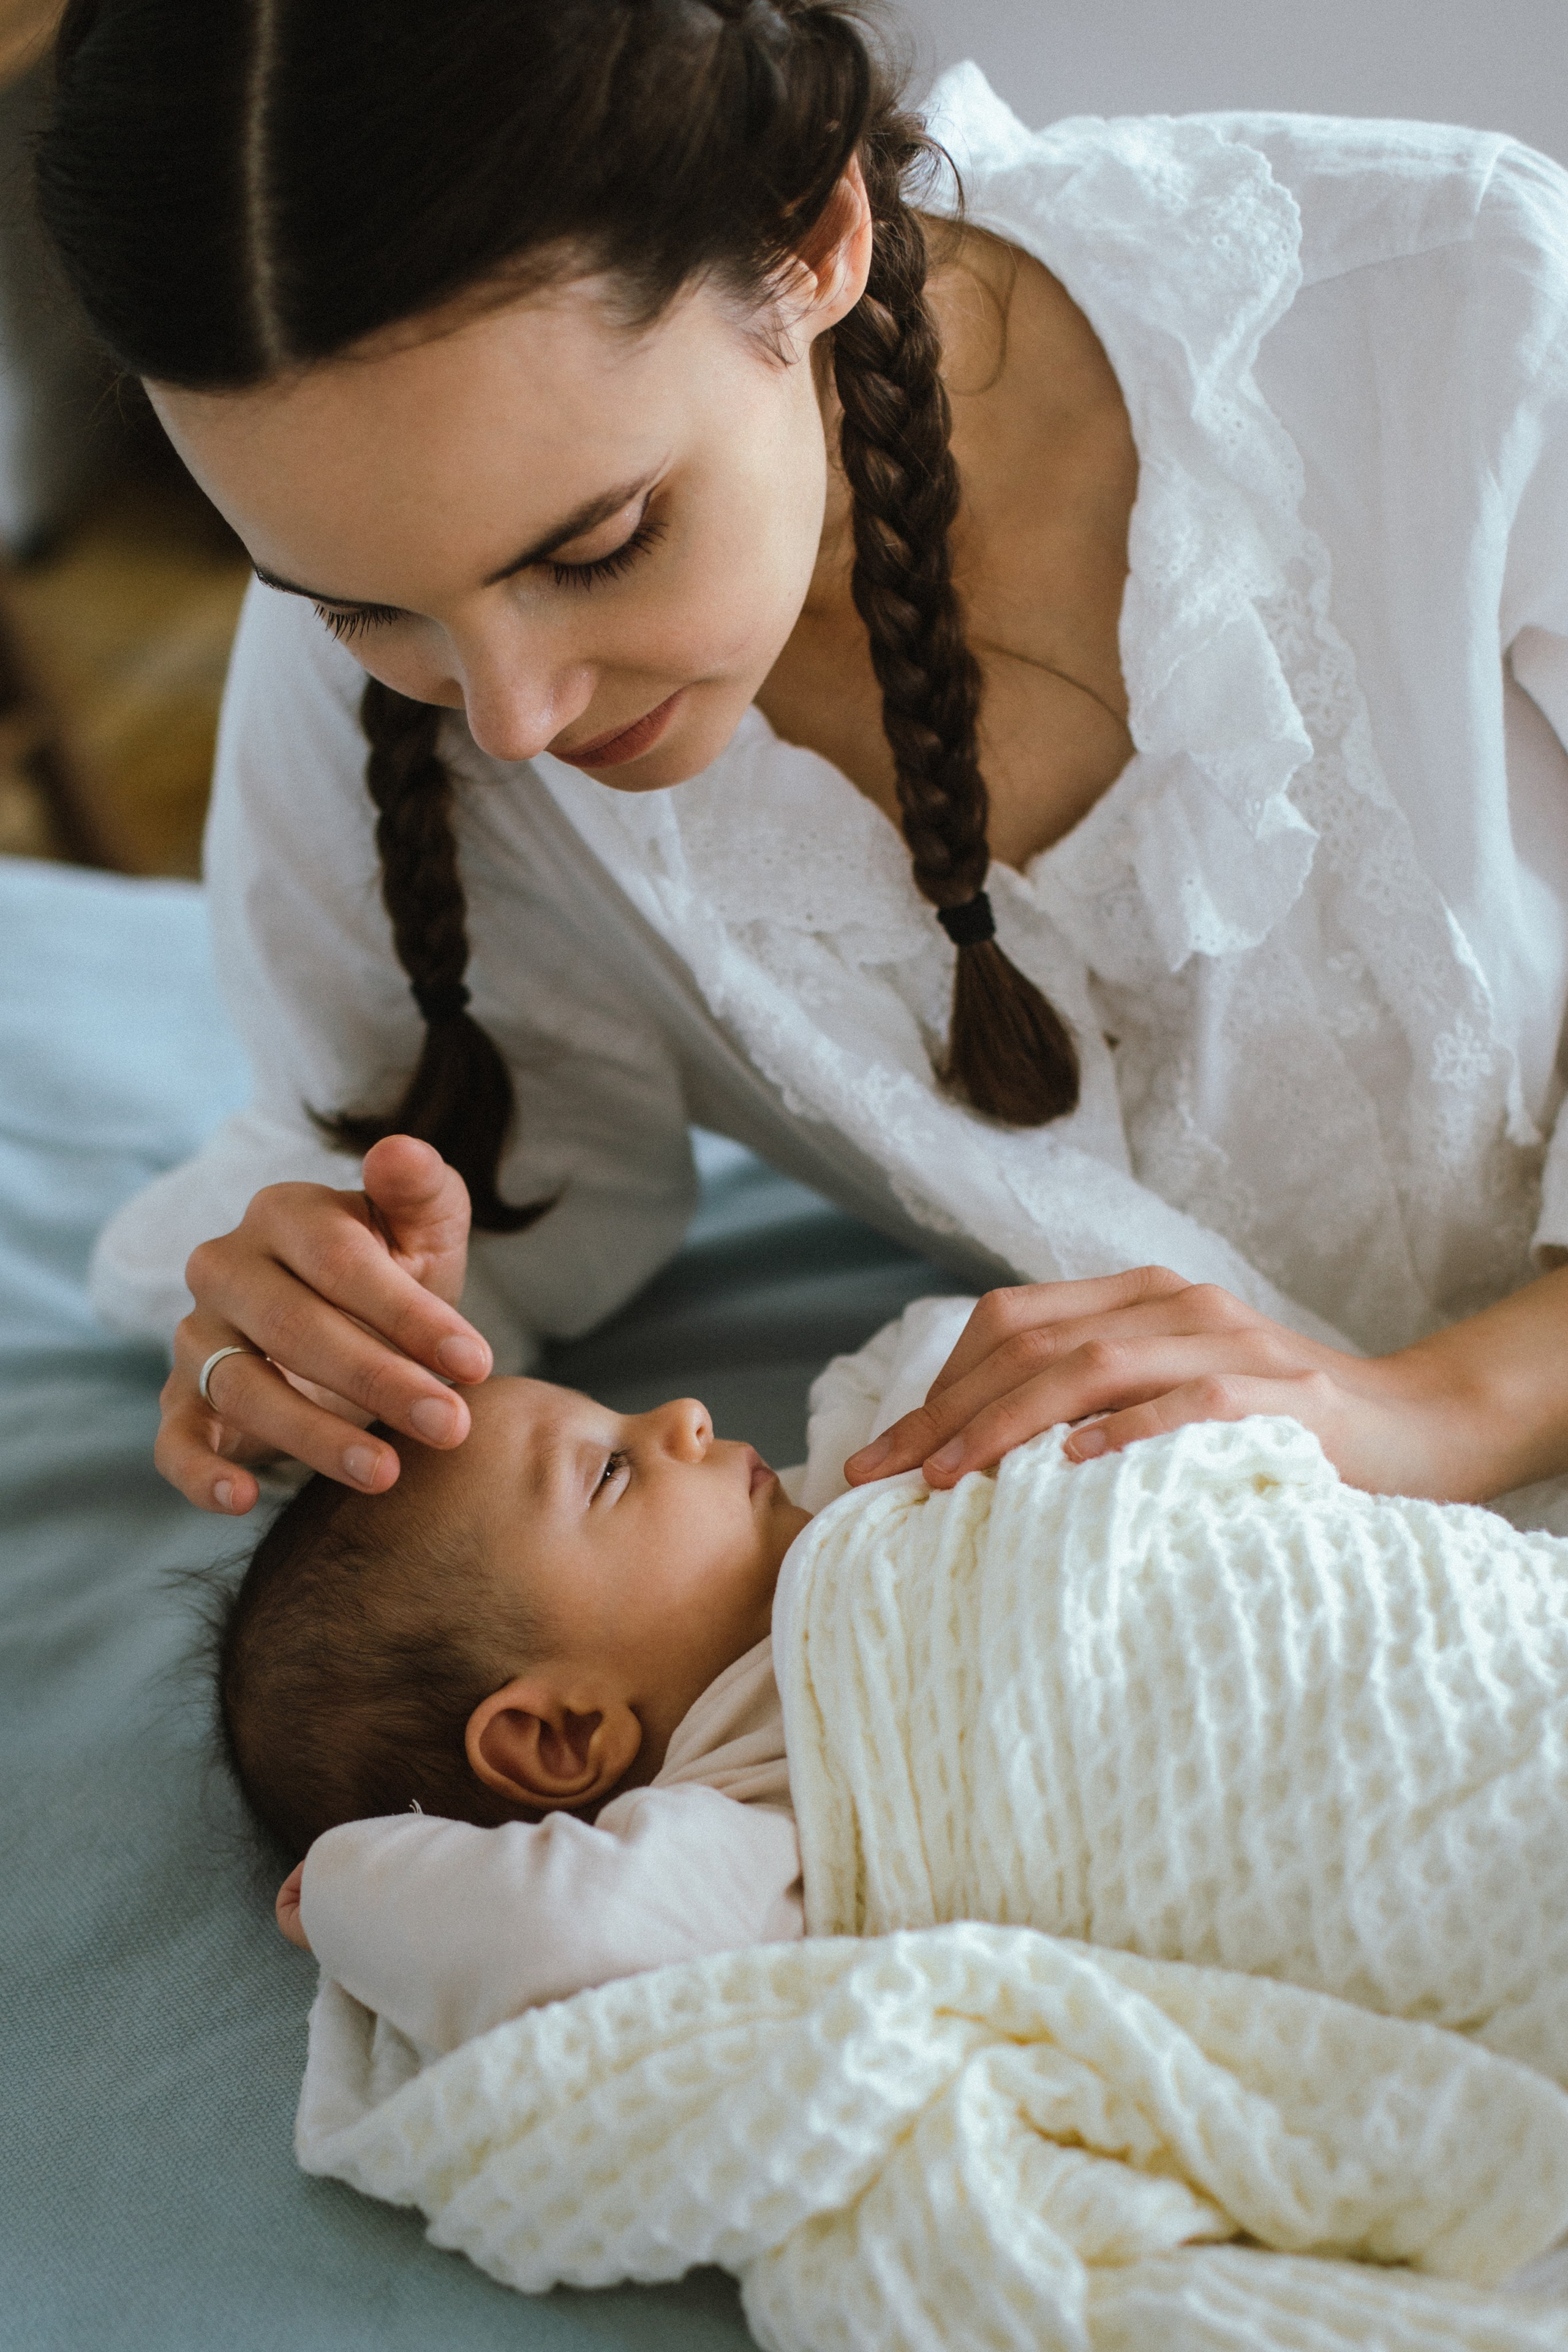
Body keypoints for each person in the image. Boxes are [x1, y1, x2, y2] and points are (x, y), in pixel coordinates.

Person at [36, 2, 1568, 1520]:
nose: (509, 716)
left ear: (810, 233)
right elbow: (484, 1190)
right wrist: (323, 1320)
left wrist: (1436, 1412)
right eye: (361, 605)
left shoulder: (1459, 320)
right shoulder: (386, 707)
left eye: (598, 544)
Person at [228, 1291, 1568, 2081]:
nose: (682, 1414)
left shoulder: (864, 1487)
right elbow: (571, 1942)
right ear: (561, 1735)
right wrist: (360, 1883)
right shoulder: (754, 1801)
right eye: (611, 1473)